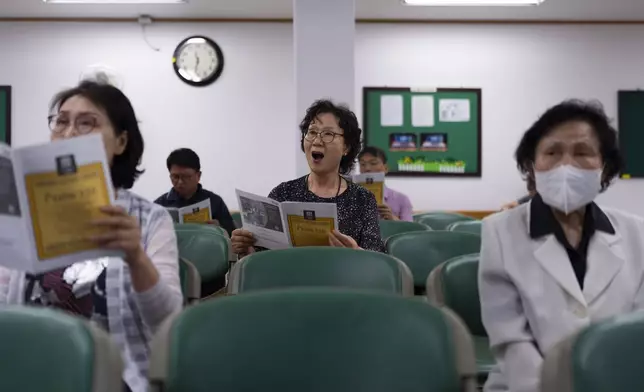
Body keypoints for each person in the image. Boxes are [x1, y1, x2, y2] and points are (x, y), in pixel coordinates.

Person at [0, 80, 182, 392]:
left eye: (86, 123)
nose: (69, 133)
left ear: (121, 142)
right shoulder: (21, 214)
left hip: (118, 379)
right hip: (26, 372)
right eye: (61, 121)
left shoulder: (149, 219)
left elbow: (168, 322)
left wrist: (136, 258)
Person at [479, 100, 644, 392]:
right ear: (532, 164)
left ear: (604, 167)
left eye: (583, 152)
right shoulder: (499, 231)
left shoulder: (637, 233)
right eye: (552, 152)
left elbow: (636, 333)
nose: (566, 165)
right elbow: (510, 339)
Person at [231, 100, 384, 257]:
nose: (317, 141)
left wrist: (356, 253)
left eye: (328, 134)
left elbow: (376, 260)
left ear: (346, 147)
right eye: (312, 132)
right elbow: (263, 258)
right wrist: (246, 248)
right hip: (290, 280)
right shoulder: (283, 193)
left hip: (344, 279)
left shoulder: (363, 199)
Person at [154, 148, 235, 236]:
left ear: (198, 176)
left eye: (186, 177)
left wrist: (219, 229)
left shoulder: (214, 201)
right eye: (175, 177)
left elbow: (233, 235)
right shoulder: (159, 205)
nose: (180, 182)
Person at [358, 146, 413, 222]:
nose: (367, 168)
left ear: (386, 168)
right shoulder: (351, 198)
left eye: (373, 163)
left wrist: (392, 218)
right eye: (362, 164)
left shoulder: (402, 199)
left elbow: (410, 231)